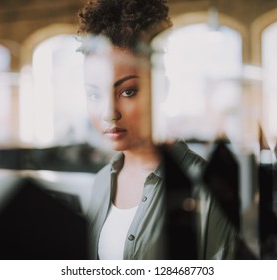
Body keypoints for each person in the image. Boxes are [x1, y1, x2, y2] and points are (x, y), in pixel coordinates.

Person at [77, 0, 240, 260]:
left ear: (160, 87)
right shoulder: (100, 183)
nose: (109, 112)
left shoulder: (206, 186)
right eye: (94, 94)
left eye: (128, 91)